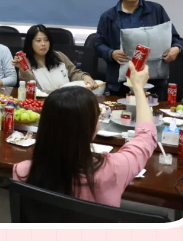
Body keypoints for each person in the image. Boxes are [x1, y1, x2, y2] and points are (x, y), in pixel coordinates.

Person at [13, 62, 157, 207]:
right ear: (91, 127)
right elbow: (146, 136)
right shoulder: (114, 169)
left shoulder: (22, 171)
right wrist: (138, 88)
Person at [95, 0, 183, 97]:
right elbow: (98, 44)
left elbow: (175, 38)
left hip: (153, 81)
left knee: (152, 110)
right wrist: (111, 53)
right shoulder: (109, 17)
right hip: (120, 83)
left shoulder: (156, 10)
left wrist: (177, 48)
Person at [13, 25, 96, 94]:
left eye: (46, 40)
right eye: (38, 41)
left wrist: (85, 76)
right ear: (30, 43)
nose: (43, 44)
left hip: (67, 98)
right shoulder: (25, 62)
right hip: (43, 101)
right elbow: (30, 86)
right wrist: (23, 70)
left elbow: (73, 73)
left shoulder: (59, 56)